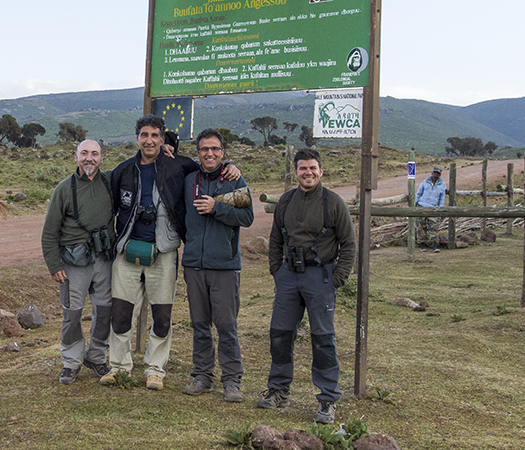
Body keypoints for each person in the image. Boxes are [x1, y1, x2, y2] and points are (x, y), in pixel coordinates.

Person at [100, 115, 239, 391]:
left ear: (162, 139)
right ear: (137, 138)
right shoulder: (123, 171)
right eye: (144, 135)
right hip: (127, 251)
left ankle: (155, 370)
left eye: (155, 135)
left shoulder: (179, 166)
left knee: (161, 315)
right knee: (121, 313)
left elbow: (209, 168)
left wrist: (230, 166)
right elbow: (110, 207)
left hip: (164, 251)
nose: (149, 140)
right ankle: (118, 367)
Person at [258, 147, 356, 425]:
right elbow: (275, 239)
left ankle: (328, 399)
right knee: (279, 334)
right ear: (295, 172)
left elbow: (349, 243)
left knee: (323, 338)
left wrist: (337, 278)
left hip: (320, 277)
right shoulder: (286, 201)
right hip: (289, 276)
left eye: (313, 168)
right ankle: (278, 390)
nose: (308, 172)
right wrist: (277, 271)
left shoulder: (333, 203)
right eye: (303, 168)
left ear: (321, 171)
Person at [180, 128, 254, 403]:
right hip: (194, 265)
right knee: (200, 325)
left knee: (226, 326)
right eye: (204, 149)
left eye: (215, 149)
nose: (209, 154)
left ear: (223, 152)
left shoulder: (233, 180)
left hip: (224, 266)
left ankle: (232, 380)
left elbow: (247, 217)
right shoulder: (190, 180)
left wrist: (217, 208)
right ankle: (202, 375)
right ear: (198, 152)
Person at [40, 139, 114, 384]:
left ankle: (97, 357)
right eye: (84, 153)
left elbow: (139, 165)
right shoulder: (63, 189)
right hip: (73, 263)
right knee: (72, 314)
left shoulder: (110, 182)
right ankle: (71, 362)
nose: (89, 158)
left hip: (104, 260)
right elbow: (49, 233)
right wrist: (54, 266)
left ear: (101, 158)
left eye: (94, 154)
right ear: (76, 157)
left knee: (104, 311)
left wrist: (165, 148)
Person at [415, 167, 447, 253]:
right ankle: (422, 244)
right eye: (435, 172)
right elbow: (419, 193)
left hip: (433, 207)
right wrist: (415, 203)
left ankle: (434, 245)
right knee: (420, 226)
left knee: (434, 226)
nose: (436, 174)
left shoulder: (442, 185)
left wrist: (440, 208)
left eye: (438, 173)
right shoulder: (425, 182)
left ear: (440, 175)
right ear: (432, 173)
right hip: (422, 205)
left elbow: (442, 198)